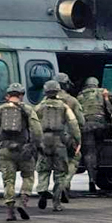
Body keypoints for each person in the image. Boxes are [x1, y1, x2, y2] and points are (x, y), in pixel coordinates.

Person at [0, 83, 43, 221]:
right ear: (22, 95)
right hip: (24, 149)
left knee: (8, 180)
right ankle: (23, 202)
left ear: (8, 96)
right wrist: (34, 145)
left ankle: (10, 211)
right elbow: (37, 130)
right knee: (28, 176)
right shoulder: (28, 110)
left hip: (6, 150)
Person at [34, 80, 81, 211]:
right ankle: (56, 202)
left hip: (44, 141)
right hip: (59, 142)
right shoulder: (64, 107)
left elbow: (33, 124)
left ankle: (42, 190)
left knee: (43, 170)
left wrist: (35, 141)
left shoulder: (39, 107)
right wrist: (78, 140)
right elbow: (74, 124)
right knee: (60, 173)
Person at [77, 76, 112, 192]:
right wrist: (107, 97)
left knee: (89, 152)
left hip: (87, 127)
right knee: (99, 148)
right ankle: (101, 167)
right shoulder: (102, 92)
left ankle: (91, 180)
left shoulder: (80, 95)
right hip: (101, 125)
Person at [54, 72, 87, 199]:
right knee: (75, 158)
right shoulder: (72, 101)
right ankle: (64, 184)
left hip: (52, 138)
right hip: (68, 137)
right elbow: (81, 121)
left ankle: (59, 189)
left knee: (57, 163)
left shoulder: (46, 101)